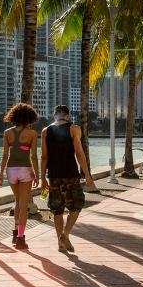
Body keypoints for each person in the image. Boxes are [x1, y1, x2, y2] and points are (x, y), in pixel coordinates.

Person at [41, 105, 96, 253]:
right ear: (68, 115)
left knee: (57, 209)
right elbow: (79, 153)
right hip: (71, 174)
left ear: (54, 115)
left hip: (53, 176)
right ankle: (65, 234)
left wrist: (42, 179)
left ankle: (60, 243)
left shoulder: (45, 131)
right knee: (77, 205)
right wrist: (87, 175)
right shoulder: (74, 129)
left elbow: (44, 157)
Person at [0, 102, 39, 249]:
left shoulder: (7, 133)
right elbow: (33, 157)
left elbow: (5, 155)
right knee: (24, 205)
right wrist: (37, 174)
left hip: (11, 170)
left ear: (13, 116)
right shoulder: (32, 134)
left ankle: (15, 234)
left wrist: (1, 174)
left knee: (17, 202)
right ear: (29, 118)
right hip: (25, 170)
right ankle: (21, 238)